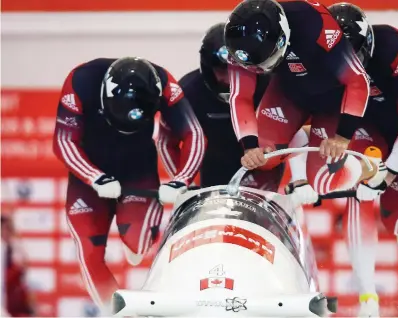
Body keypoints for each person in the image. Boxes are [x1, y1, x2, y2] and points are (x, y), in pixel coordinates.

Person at [291, 3, 398, 316]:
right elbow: (301, 114)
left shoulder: (396, 50)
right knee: (360, 190)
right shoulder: (316, 55)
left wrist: (388, 176)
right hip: (362, 126)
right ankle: (367, 295)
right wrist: (300, 175)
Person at [52, 57, 205, 310]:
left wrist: (181, 180)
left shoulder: (164, 84)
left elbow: (194, 133)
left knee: (137, 246)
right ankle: (117, 314)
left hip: (137, 169)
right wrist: (94, 176)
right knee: (88, 249)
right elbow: (63, 141)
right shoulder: (80, 81)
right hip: (90, 176)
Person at [224, 0, 374, 205]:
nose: (261, 70)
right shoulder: (238, 47)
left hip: (332, 99)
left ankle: (370, 168)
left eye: (265, 63)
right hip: (289, 91)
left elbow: (357, 81)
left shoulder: (315, 24)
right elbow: (240, 97)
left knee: (322, 182)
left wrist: (342, 137)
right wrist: (250, 147)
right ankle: (302, 139)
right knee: (263, 158)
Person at [158, 22, 308, 193]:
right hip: (214, 171)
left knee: (254, 215)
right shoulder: (189, 91)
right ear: (208, 68)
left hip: (261, 170)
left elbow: (293, 132)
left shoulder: (271, 86)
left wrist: (300, 179)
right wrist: (182, 182)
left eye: (238, 71)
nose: (231, 81)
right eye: (224, 72)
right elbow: (167, 141)